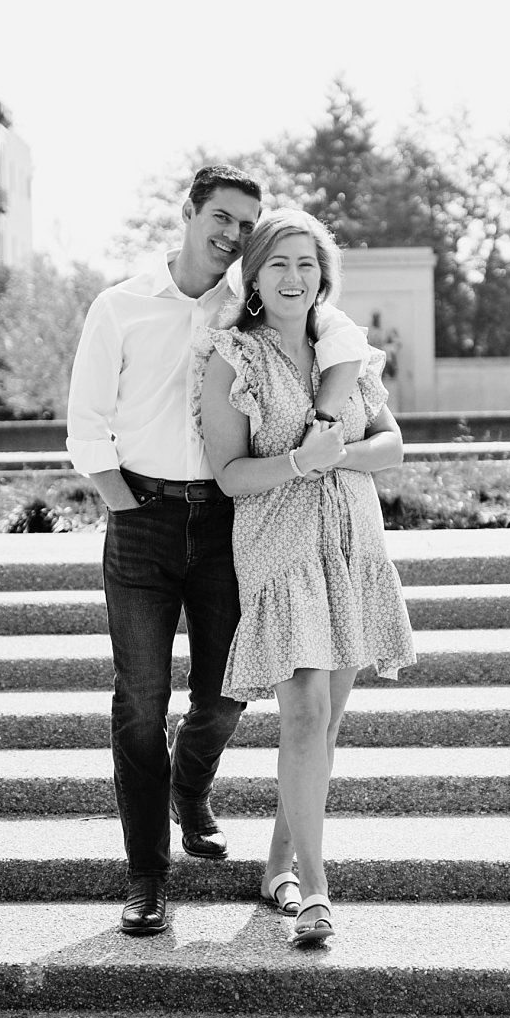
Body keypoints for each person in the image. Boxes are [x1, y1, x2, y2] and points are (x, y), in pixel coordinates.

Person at [66, 166, 369, 936]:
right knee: (139, 703)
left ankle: (190, 784)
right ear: (190, 214)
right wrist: (126, 505)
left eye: (246, 224)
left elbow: (335, 337)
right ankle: (146, 878)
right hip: (143, 515)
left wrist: (335, 412)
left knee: (226, 692)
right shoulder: (122, 305)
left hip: (233, 522)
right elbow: (85, 421)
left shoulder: (252, 307)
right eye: (223, 218)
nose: (232, 234)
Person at [197, 208, 416, 947]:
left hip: (352, 544)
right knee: (302, 713)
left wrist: (338, 456)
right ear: (252, 277)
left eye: (307, 264)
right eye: (278, 264)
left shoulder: (342, 348)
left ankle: (276, 868)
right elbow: (228, 477)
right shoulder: (234, 357)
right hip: (279, 546)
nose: (294, 278)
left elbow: (389, 445)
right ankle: (317, 893)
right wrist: (298, 462)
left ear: (325, 275)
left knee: (325, 723)